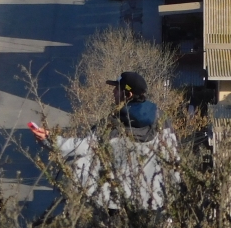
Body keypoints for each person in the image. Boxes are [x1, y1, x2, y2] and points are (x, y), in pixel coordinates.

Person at [30, 71, 176, 210]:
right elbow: (173, 154)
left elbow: (82, 147)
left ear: (128, 94)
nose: (113, 92)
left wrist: (50, 140)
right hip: (154, 197)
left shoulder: (113, 124)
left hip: (121, 199)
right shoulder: (161, 118)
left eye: (117, 89)